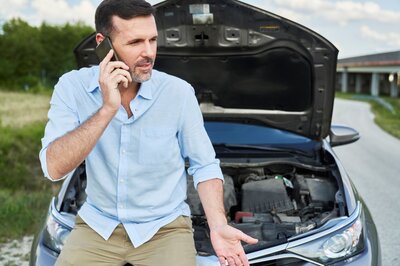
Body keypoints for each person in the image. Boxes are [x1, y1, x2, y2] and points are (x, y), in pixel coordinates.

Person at [39, 0, 258, 265]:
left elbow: (204, 165)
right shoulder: (72, 87)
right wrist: (108, 108)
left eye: (152, 40)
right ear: (102, 43)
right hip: (98, 226)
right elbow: (53, 168)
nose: (149, 53)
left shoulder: (178, 93)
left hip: (164, 229)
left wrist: (217, 225)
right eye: (135, 42)